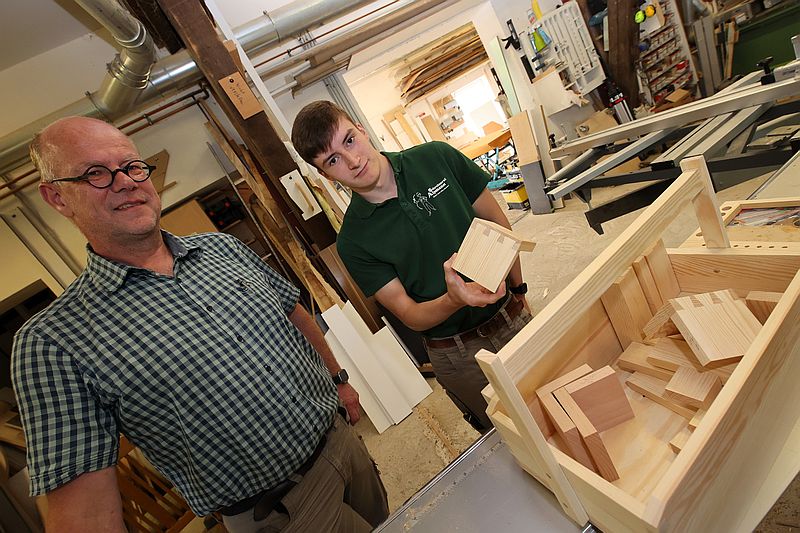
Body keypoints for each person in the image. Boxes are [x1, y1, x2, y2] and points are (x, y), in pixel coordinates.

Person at [12, 116, 389, 533]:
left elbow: (292, 311)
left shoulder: (221, 249)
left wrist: (338, 378)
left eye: (132, 166)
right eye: (96, 173)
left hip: (342, 445)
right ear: (57, 198)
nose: (125, 182)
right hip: (278, 512)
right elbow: (86, 516)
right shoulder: (53, 342)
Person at [291, 101, 532, 431]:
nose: (352, 160)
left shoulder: (436, 158)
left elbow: (497, 223)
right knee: (511, 437)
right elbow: (410, 314)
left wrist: (519, 289)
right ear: (324, 174)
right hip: (459, 356)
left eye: (349, 140)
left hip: (511, 316)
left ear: (360, 128)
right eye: (333, 160)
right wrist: (454, 299)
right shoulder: (354, 241)